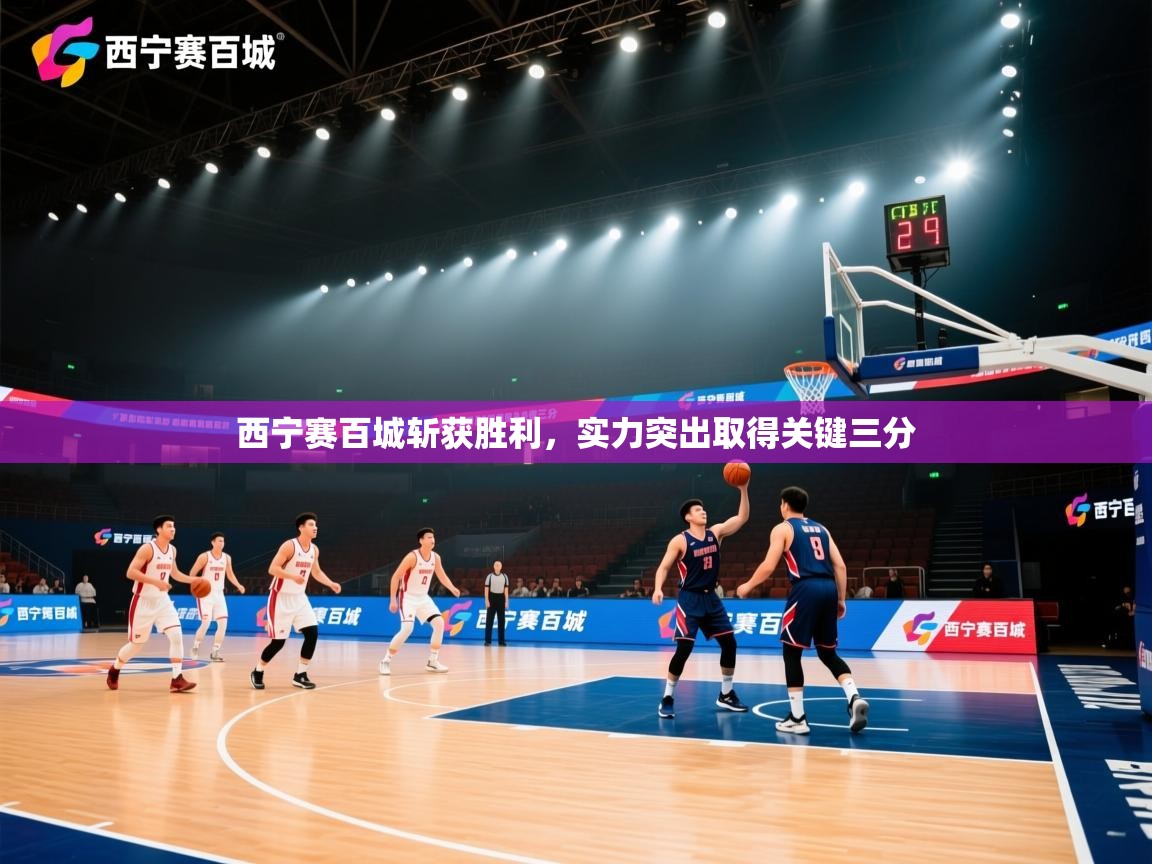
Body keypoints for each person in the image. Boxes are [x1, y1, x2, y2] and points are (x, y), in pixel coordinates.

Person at [737, 487, 869, 735]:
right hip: (829, 588)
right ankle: (853, 697)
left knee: (791, 652)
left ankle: (798, 718)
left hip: (805, 589)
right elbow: (840, 566)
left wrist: (747, 586)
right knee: (828, 653)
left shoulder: (783, 529)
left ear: (785, 505)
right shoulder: (822, 529)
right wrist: (841, 599)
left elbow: (768, 565)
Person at [651, 478, 750, 720]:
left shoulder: (715, 533)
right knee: (684, 648)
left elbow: (741, 518)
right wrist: (657, 588)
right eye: (697, 510)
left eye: (703, 509)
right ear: (688, 517)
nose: (703, 511)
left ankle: (726, 693)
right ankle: (667, 697)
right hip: (690, 599)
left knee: (730, 644)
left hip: (712, 599)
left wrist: (743, 489)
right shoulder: (680, 540)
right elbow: (663, 567)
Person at [106, 515, 200, 693]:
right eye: (169, 526)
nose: (173, 529)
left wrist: (194, 580)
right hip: (143, 601)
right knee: (136, 645)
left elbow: (175, 573)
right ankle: (115, 669)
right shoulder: (147, 549)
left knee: (176, 635)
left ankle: (177, 679)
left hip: (163, 601)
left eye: (174, 526)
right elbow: (130, 572)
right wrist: (156, 582)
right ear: (159, 529)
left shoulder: (172, 550)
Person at [250, 513, 342, 691]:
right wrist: (292, 576)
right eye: (311, 524)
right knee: (278, 642)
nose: (315, 527)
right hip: (280, 597)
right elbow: (272, 569)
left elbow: (316, 572)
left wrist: (331, 583)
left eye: (316, 525)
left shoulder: (314, 549)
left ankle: (300, 674)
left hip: (300, 598)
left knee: (312, 633)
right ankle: (258, 670)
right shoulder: (289, 546)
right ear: (301, 527)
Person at [379, 528, 461, 676]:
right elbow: (395, 577)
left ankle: (433, 661)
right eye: (429, 537)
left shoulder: (436, 558)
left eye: (433, 537)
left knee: (439, 623)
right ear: (421, 541)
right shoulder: (412, 557)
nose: (432, 540)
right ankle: (386, 660)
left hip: (423, 598)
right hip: (407, 597)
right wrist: (393, 599)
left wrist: (452, 588)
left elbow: (442, 575)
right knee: (407, 629)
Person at [188, 532, 246, 661]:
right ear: (212, 542)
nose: (222, 543)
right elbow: (192, 573)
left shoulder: (227, 558)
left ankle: (215, 652)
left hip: (219, 594)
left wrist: (238, 585)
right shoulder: (204, 556)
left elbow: (230, 574)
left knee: (223, 624)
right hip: (205, 594)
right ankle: (195, 647)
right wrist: (197, 586)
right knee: (206, 623)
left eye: (223, 541)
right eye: (219, 540)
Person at [484, 560, 509, 647]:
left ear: (501, 567)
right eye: (496, 565)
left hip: (501, 598)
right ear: (494, 566)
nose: (497, 566)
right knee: (489, 621)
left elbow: (506, 590)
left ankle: (501, 641)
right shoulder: (489, 576)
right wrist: (486, 600)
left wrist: (506, 601)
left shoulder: (505, 577)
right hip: (491, 598)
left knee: (501, 621)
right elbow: (486, 589)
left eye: (499, 565)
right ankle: (487, 641)